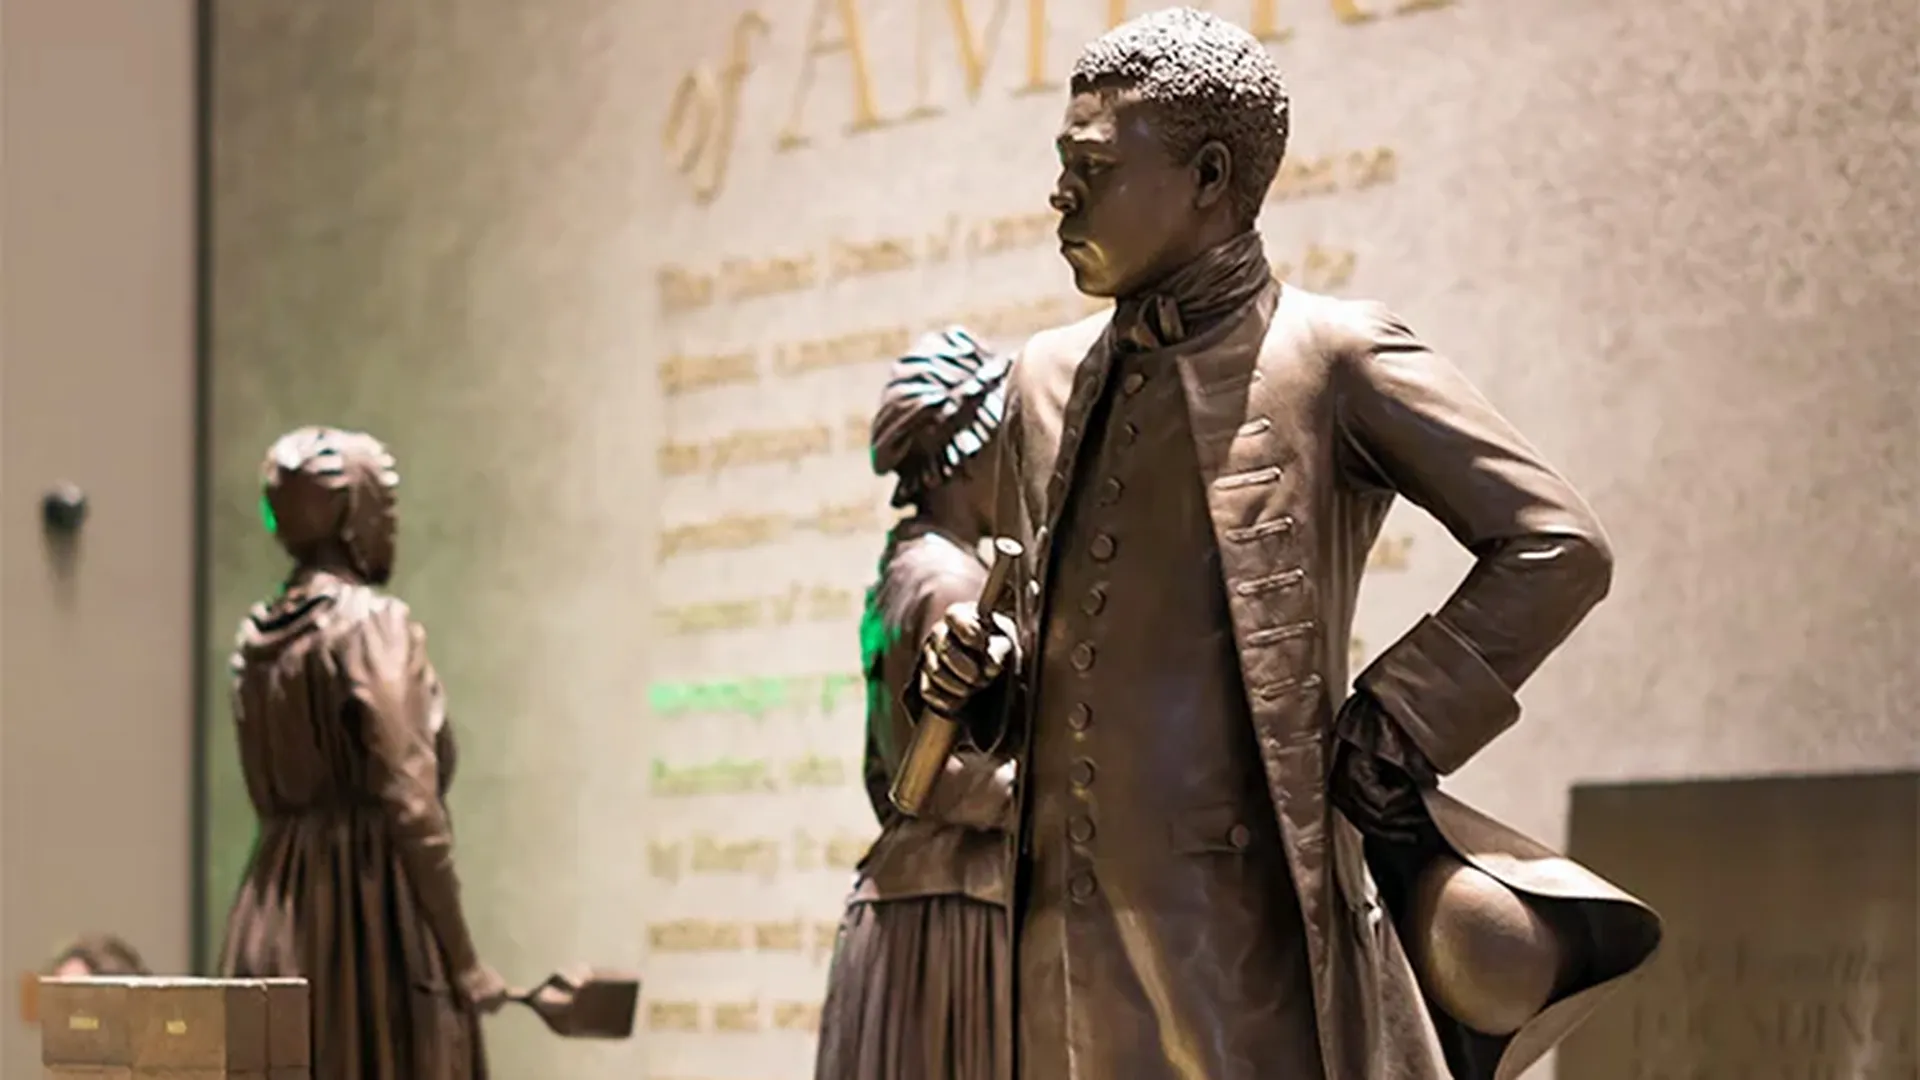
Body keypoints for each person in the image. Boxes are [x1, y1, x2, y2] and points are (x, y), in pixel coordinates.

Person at [913, 9, 1658, 1080]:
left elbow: (1554, 543)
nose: (1059, 195)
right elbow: (1065, 639)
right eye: (1059, 165)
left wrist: (1395, 722)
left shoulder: (1333, 356)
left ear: (1210, 176)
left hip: (1240, 933)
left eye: (1092, 167)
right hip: (1053, 935)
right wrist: (990, 676)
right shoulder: (1042, 376)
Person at [219, 426, 504, 1080]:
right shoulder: (371, 624)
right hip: (366, 926)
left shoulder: (256, 639)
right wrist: (463, 959)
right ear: (353, 512)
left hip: (272, 914)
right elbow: (410, 797)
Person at [814, 327, 1016, 1080]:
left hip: (917, 899)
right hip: (949, 909)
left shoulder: (908, 565)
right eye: (1009, 443)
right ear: (967, 455)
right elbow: (937, 776)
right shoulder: (949, 582)